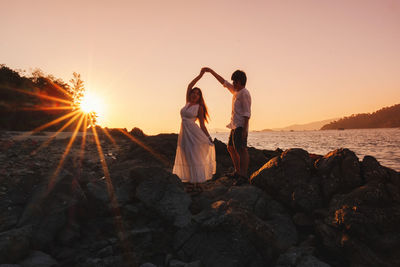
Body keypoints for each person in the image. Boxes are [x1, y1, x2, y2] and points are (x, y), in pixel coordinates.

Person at [202, 67, 251, 183]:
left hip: (240, 126)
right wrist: (211, 71)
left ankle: (243, 175)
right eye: (233, 82)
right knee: (230, 148)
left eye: (235, 82)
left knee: (241, 149)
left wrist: (244, 130)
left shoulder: (244, 93)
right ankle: (237, 171)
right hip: (234, 125)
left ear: (240, 81)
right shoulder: (236, 91)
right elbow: (223, 82)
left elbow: (247, 113)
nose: (233, 83)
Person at [172, 70, 216, 191]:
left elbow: (202, 125)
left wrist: (208, 138)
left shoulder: (199, 107)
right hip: (184, 135)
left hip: (194, 135)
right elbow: (189, 86)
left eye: (198, 94)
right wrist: (200, 75)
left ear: (200, 97)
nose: (195, 94)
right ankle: (192, 183)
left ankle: (198, 183)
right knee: (186, 155)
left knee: (194, 157)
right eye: (194, 93)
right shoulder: (187, 103)